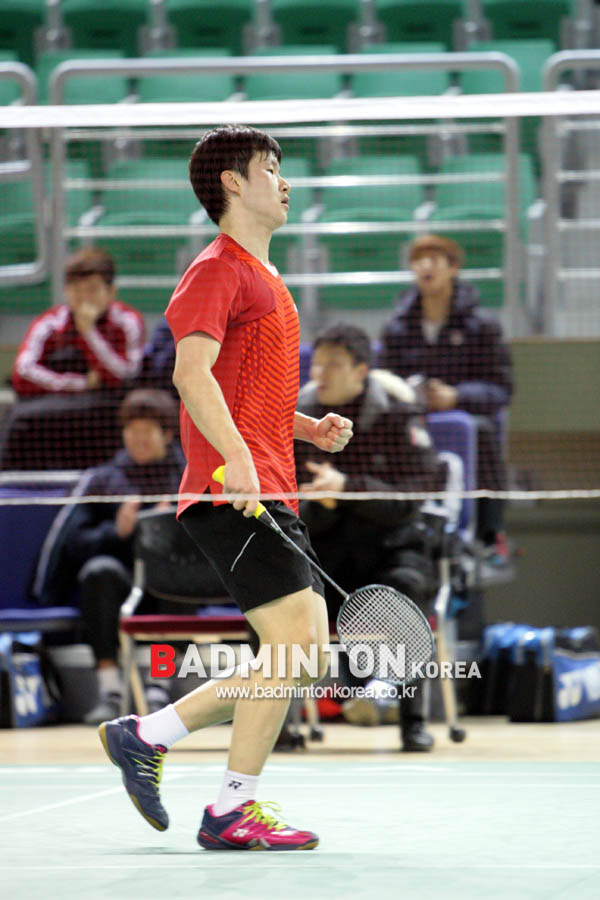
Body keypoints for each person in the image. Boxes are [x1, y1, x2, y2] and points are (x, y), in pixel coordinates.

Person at [98, 125, 353, 851]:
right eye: (270, 169)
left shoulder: (267, 278)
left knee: (301, 653)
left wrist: (305, 429)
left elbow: (245, 391)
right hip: (231, 491)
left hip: (267, 483)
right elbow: (190, 374)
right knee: (296, 647)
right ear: (232, 183)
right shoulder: (216, 270)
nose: (285, 182)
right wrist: (238, 458)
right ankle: (224, 805)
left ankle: (151, 736)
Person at [295, 322, 456, 751]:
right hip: (324, 556)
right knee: (277, 596)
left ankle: (411, 722)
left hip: (390, 549)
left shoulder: (397, 417)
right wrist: (322, 504)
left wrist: (349, 489)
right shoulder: (298, 421)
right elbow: (286, 506)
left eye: (334, 364)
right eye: (318, 364)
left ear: (361, 371)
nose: (321, 374)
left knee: (409, 587)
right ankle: (281, 726)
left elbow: (415, 495)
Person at [31, 389, 185, 723]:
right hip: (122, 585)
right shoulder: (104, 480)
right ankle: (111, 690)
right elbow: (74, 543)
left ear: (167, 434)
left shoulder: (187, 477)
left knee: (177, 579)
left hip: (170, 587)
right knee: (97, 571)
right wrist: (116, 531)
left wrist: (173, 530)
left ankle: (159, 687)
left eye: (147, 431)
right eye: (132, 430)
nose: (138, 439)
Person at [378, 234, 514, 565]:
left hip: (465, 416)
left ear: (453, 268)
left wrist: (456, 396)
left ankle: (490, 534)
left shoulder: (482, 326)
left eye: (433, 260)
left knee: (481, 431)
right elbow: (383, 381)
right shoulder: (397, 327)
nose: (425, 267)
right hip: (413, 417)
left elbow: (501, 388)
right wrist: (411, 396)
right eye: (418, 260)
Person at [2, 247, 145, 469]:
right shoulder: (50, 322)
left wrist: (88, 332)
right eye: (76, 290)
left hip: (106, 409)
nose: (84, 298)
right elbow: (22, 374)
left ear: (111, 291)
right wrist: (80, 383)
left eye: (92, 290)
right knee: (17, 419)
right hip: (57, 404)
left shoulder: (127, 321)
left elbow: (125, 376)